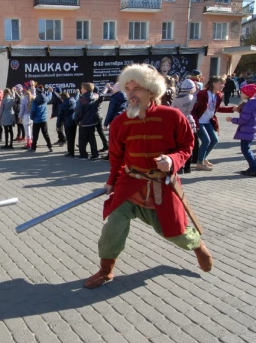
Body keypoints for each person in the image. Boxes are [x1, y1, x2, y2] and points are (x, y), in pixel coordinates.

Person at [84, 64, 213, 290]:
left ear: (152, 91)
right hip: (129, 184)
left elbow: (187, 146)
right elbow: (116, 158)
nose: (131, 94)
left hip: (161, 186)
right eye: (128, 89)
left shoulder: (172, 116)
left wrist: (172, 160)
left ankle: (197, 245)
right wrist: (111, 182)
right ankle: (106, 270)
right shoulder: (119, 122)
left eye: (137, 89)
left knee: (174, 233)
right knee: (113, 227)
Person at [191, 76, 234, 171]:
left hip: (208, 121)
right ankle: (200, 163)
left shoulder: (219, 95)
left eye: (224, 84)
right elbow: (194, 110)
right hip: (199, 122)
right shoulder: (203, 94)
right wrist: (196, 124)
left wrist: (231, 109)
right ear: (214, 83)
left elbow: (216, 108)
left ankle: (202, 159)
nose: (223, 85)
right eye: (221, 83)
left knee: (214, 140)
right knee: (206, 140)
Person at [225, 84, 256, 177]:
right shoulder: (251, 103)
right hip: (249, 129)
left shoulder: (248, 105)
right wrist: (239, 111)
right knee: (247, 149)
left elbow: (243, 120)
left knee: (246, 150)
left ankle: (254, 168)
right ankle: (253, 167)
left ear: (247, 94)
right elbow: (247, 115)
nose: (241, 94)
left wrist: (232, 119)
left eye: (242, 92)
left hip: (247, 130)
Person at [171, 79, 198, 174]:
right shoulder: (193, 98)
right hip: (190, 120)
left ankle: (180, 167)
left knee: (179, 144)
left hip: (179, 121)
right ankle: (188, 167)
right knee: (189, 143)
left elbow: (172, 111)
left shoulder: (176, 99)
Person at [74, 82, 101, 160]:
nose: (81, 89)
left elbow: (78, 112)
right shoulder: (95, 96)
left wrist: (77, 120)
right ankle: (95, 154)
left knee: (82, 139)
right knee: (92, 138)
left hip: (84, 122)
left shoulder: (82, 100)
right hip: (93, 121)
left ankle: (83, 155)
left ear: (85, 89)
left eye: (82, 88)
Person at [29, 86, 53, 152]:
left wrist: (32, 118)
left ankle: (33, 147)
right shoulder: (45, 99)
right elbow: (49, 97)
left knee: (35, 134)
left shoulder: (35, 101)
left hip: (36, 120)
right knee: (46, 133)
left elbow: (33, 111)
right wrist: (50, 92)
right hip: (44, 119)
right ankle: (50, 146)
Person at [58, 91, 78, 157]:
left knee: (69, 138)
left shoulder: (62, 105)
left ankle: (70, 151)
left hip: (67, 122)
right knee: (73, 137)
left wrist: (58, 125)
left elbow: (60, 116)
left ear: (62, 98)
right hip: (73, 121)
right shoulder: (74, 101)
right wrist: (77, 93)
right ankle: (71, 150)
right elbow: (76, 97)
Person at [93, 86, 109, 152]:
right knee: (100, 132)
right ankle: (106, 145)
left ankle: (83, 144)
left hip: (94, 116)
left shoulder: (94, 97)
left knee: (89, 132)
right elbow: (103, 92)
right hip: (99, 116)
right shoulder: (99, 96)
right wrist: (106, 88)